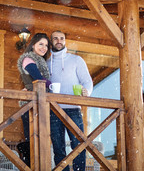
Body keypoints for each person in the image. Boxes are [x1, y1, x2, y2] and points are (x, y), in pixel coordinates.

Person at [47, 30, 93, 171]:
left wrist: (87, 91)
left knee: (78, 145)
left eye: (62, 38)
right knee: (58, 148)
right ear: (51, 41)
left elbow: (87, 81)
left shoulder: (76, 60)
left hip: (73, 109)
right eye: (55, 38)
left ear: (65, 41)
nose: (59, 41)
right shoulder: (46, 63)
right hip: (53, 111)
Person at [17, 32, 51, 166]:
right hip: (30, 103)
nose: (44, 48)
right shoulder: (28, 59)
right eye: (40, 44)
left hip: (40, 102)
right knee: (32, 137)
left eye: (46, 45)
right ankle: (28, 164)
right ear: (32, 45)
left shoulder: (41, 61)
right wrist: (52, 86)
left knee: (39, 138)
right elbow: (39, 79)